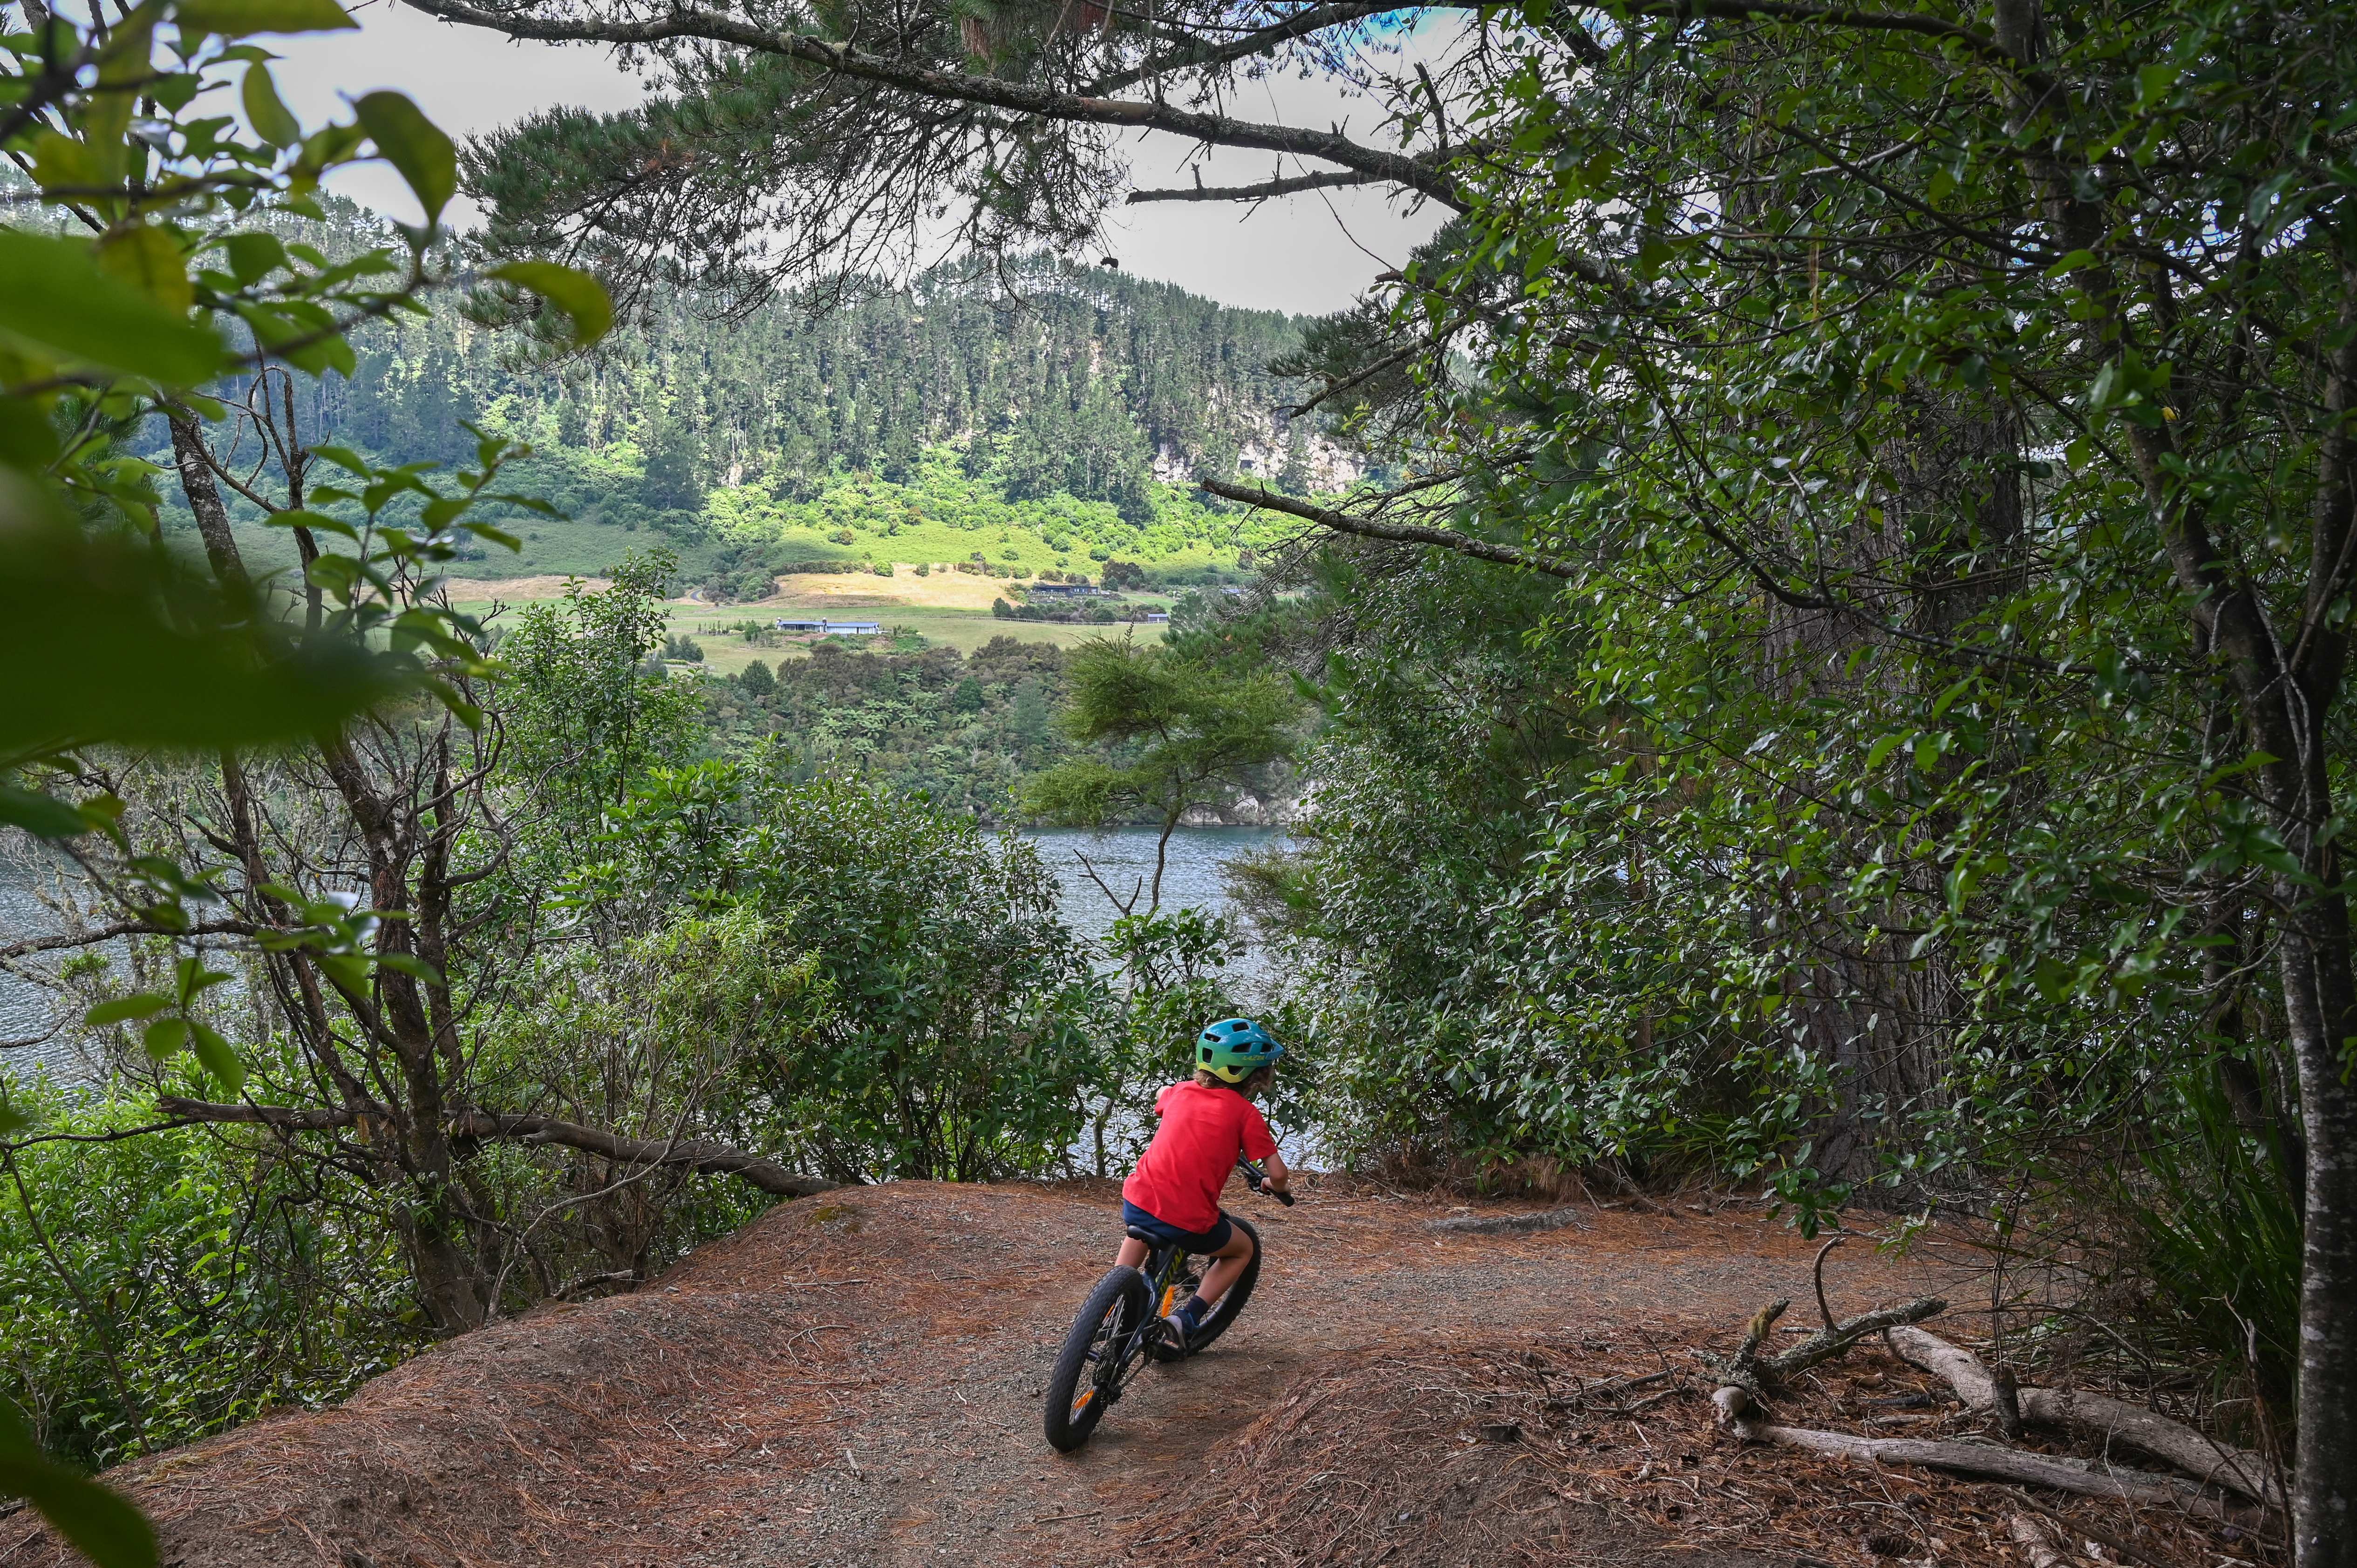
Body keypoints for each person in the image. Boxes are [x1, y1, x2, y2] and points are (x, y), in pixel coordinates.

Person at [1117, 1016, 1292, 1351]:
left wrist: (1168, 1096)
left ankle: (1112, 1302)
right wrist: (1276, 1186)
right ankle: (1187, 1318)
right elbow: (1280, 1174)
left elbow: (1161, 1095)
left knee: (1140, 1228)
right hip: (1188, 1221)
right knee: (1243, 1249)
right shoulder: (1245, 1115)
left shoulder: (1181, 1091)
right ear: (1255, 1077)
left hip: (1136, 1200)